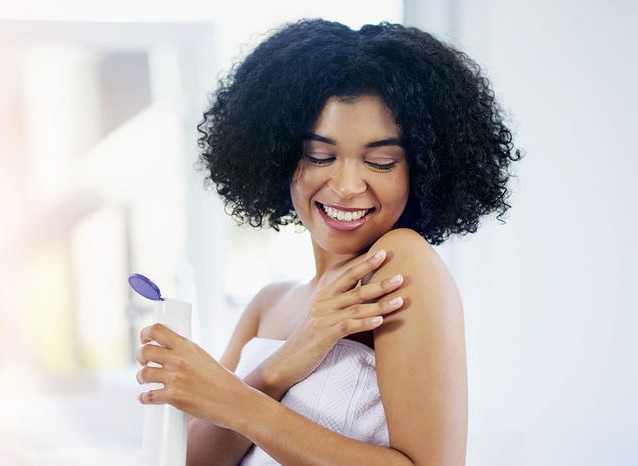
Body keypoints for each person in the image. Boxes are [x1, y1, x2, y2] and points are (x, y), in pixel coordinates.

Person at [135, 18, 520, 465]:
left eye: (380, 161)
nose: (347, 186)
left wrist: (239, 403)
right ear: (279, 156)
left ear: (419, 169)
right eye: (321, 155)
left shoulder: (397, 266)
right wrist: (282, 364)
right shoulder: (269, 303)